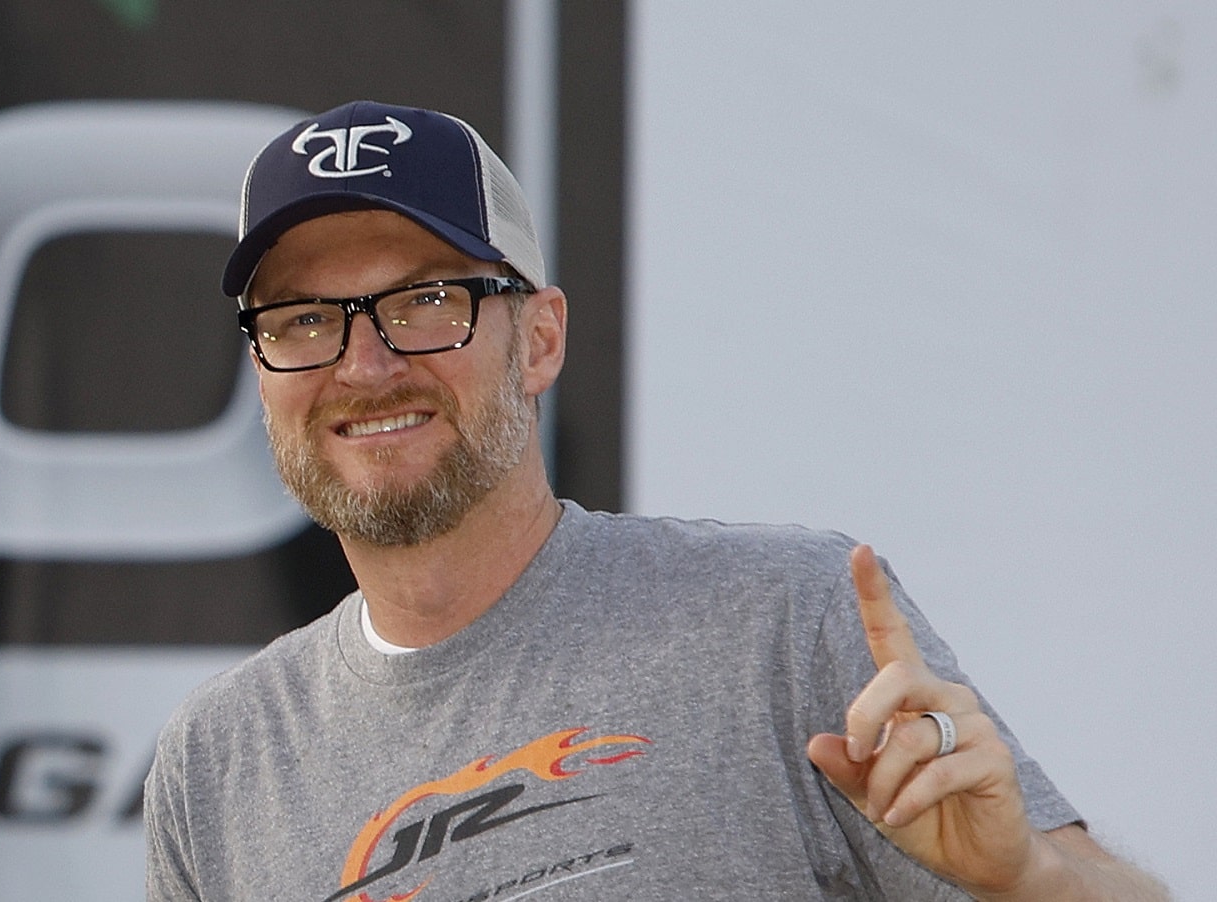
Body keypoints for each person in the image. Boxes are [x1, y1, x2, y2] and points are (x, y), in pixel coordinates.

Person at [143, 99, 1166, 901]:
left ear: (539, 338)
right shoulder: (219, 754)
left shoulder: (775, 617)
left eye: (424, 300)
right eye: (304, 316)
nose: (363, 365)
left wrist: (1023, 878)